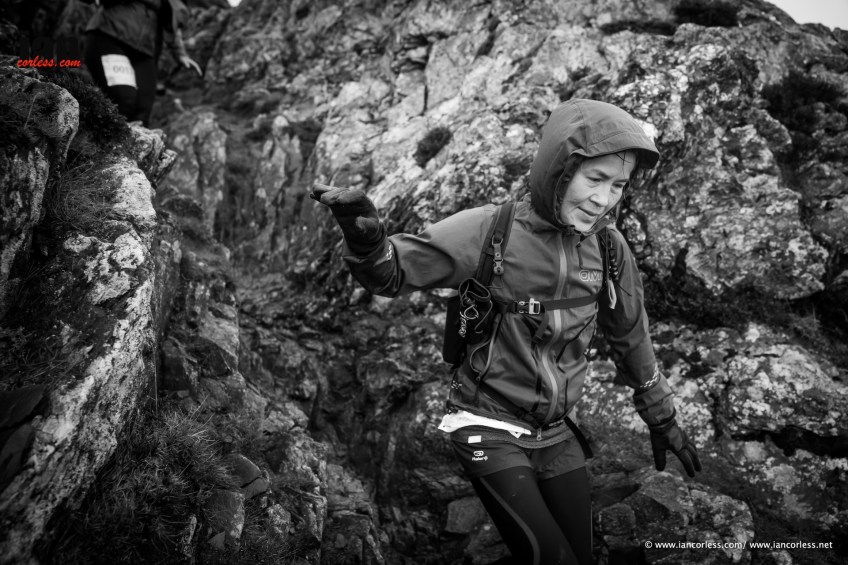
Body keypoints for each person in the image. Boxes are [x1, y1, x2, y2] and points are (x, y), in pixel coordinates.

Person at [312, 98, 701, 565]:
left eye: (617, 185)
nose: (603, 198)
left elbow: (630, 334)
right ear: (560, 170)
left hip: (557, 434)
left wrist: (662, 416)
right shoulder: (490, 230)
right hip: (487, 425)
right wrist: (366, 239)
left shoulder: (608, 248)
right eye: (594, 179)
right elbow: (389, 274)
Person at [81, 0, 201, 126]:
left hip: (145, 51)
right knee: (124, 100)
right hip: (109, 37)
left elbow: (172, 23)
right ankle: (86, 131)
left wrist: (180, 53)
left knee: (142, 110)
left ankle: (130, 139)